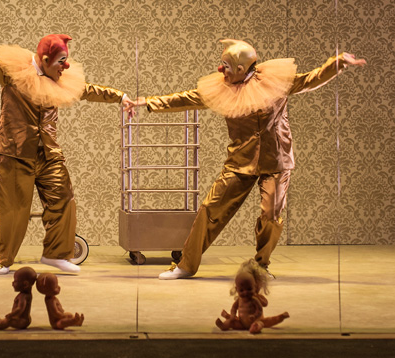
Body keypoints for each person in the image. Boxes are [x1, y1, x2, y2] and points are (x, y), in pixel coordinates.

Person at [128, 39, 366, 280]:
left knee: (271, 214)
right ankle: (186, 265)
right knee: (210, 209)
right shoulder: (222, 87)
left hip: (276, 160)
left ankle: (260, 265)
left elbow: (309, 80)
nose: (221, 70)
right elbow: (187, 98)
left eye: (226, 66)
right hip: (240, 161)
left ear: (241, 68)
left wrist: (337, 63)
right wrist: (146, 101)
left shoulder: (274, 82)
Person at [0, 23, 130, 275]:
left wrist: (120, 97)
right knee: (14, 210)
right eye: (60, 61)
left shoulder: (59, 78)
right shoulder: (14, 73)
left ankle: (56, 254)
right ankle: (5, 258)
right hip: (15, 153)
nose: (65, 67)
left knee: (63, 199)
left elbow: (87, 90)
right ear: (45, 60)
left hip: (48, 154)